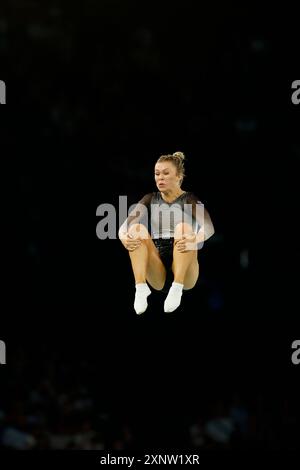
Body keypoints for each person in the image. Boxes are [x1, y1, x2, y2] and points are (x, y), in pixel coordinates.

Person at [118, 152, 215, 314]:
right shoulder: (150, 198)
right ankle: (141, 288)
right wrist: (123, 238)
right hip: (158, 268)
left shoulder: (189, 199)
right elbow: (124, 226)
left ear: (179, 176)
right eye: (157, 174)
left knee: (183, 227)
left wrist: (195, 240)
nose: (160, 178)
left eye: (165, 173)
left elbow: (209, 227)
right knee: (136, 229)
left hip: (185, 270)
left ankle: (177, 287)